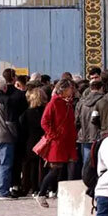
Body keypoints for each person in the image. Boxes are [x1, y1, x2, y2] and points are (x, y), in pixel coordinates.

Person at [35, 79, 77, 208]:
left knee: (71, 168)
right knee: (55, 169)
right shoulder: (53, 103)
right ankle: (41, 193)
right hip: (58, 142)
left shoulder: (68, 104)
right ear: (64, 89)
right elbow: (44, 122)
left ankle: (68, 195)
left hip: (69, 141)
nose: (72, 91)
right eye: (70, 88)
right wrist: (53, 135)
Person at [21, 86, 49, 197]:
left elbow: (23, 130)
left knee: (32, 166)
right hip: (44, 141)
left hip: (31, 141)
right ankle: (44, 187)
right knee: (44, 166)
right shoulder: (46, 112)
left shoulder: (26, 113)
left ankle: (33, 188)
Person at [76, 79, 105, 168]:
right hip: (99, 134)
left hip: (84, 134)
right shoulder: (103, 101)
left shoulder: (81, 102)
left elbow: (76, 120)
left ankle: (86, 180)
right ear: (101, 88)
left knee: (87, 162)